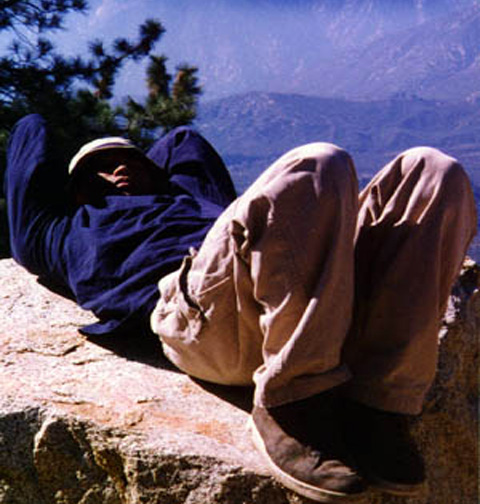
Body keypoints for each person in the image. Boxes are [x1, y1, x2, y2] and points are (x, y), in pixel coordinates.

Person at [5, 113, 477, 503]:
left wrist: (143, 168)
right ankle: (294, 405)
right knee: (319, 163)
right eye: (99, 170)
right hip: (202, 319)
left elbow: (183, 141)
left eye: (127, 160)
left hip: (305, 304)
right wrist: (78, 144)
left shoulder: (193, 199)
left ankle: (378, 405)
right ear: (77, 192)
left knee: (433, 171)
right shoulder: (63, 233)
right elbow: (31, 135)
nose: (117, 170)